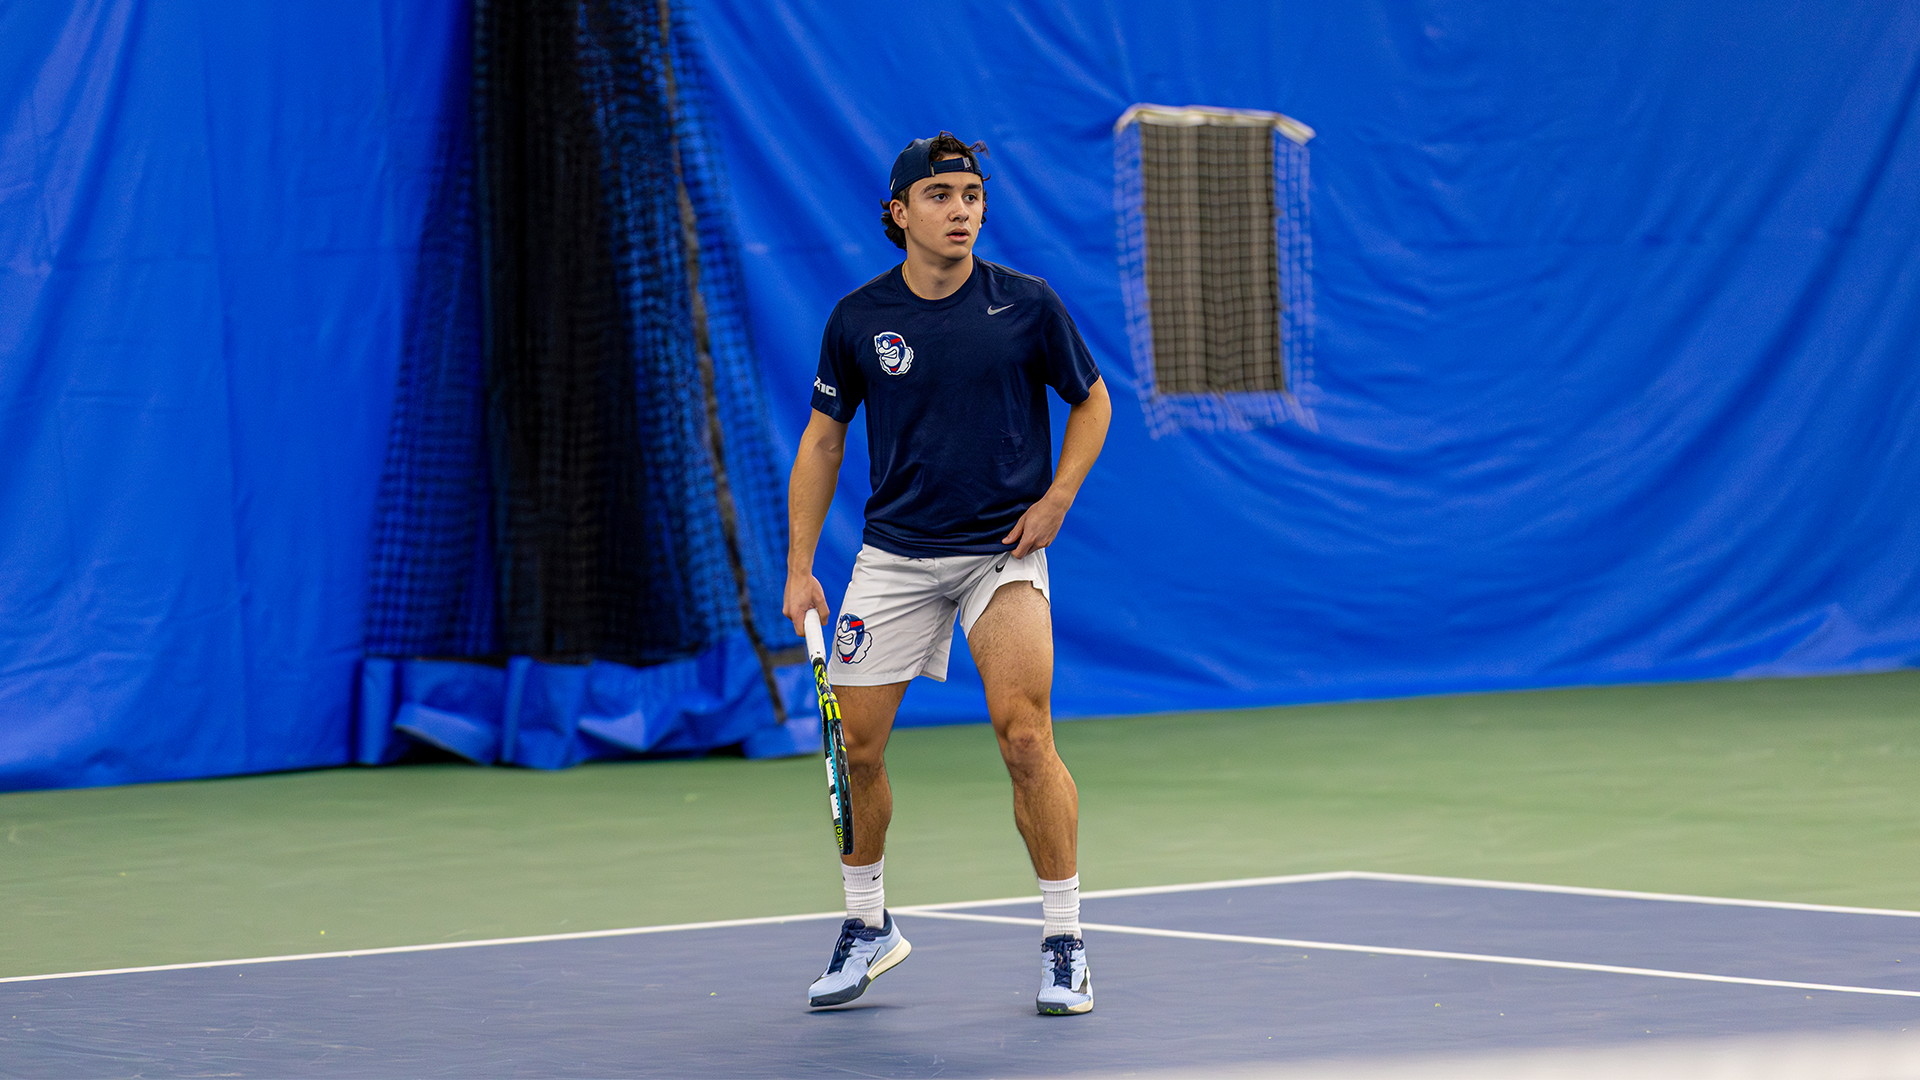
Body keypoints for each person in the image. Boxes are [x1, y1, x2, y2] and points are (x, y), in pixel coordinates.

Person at [785, 131, 1112, 1015]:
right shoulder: (857, 320)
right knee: (856, 748)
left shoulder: (1027, 306)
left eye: (971, 194)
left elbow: (1092, 401)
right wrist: (799, 569)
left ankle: (1065, 940)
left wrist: (1056, 502)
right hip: (892, 558)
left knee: (1024, 737)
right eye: (939, 196)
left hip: (999, 558)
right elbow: (822, 442)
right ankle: (867, 925)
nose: (960, 209)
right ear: (899, 213)